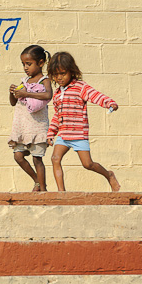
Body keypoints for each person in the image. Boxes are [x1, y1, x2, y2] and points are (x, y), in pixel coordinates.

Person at [46, 51, 121, 192]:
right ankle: (61, 193)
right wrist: (51, 133)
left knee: (88, 164)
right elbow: (57, 115)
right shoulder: (57, 94)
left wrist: (109, 103)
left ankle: (109, 175)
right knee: (55, 158)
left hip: (78, 134)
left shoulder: (80, 87)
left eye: (63, 73)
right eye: (56, 75)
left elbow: (95, 95)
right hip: (63, 134)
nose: (59, 78)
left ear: (71, 71)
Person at [8, 45, 53, 191]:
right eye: (23, 64)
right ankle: (37, 181)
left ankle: (43, 189)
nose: (25, 67)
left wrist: (27, 94)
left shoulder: (44, 80)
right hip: (23, 127)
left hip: (37, 127)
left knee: (36, 158)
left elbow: (47, 95)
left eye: (29, 64)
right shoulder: (25, 81)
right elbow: (13, 102)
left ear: (40, 63)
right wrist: (13, 92)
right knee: (18, 156)